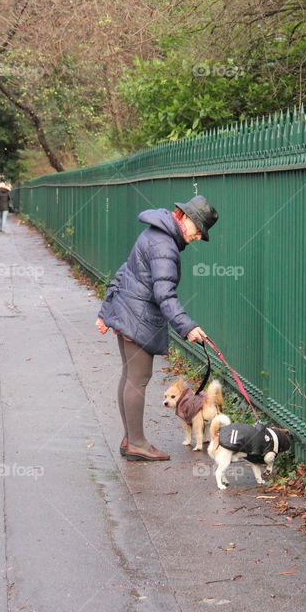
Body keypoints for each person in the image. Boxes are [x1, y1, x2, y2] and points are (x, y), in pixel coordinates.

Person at [95, 195, 219, 461]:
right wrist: (187, 327)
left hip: (126, 311)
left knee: (129, 377)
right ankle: (137, 443)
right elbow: (165, 293)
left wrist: (106, 312)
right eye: (198, 231)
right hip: (137, 317)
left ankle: (131, 439)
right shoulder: (165, 246)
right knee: (138, 379)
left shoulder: (154, 233)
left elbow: (124, 271)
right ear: (184, 217)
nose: (197, 237)